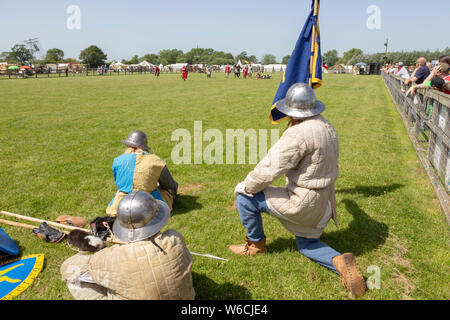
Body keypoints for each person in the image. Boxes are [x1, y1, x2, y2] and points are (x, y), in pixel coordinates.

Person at [229, 83, 366, 298]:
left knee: (245, 199)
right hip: (325, 204)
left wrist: (246, 186)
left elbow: (270, 167)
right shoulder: (325, 125)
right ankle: (339, 261)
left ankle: (256, 246)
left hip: (303, 202)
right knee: (306, 245)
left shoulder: (298, 133)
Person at [60, 191, 195, 300]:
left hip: (110, 261)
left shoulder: (113, 257)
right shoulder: (175, 238)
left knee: (73, 279)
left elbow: (68, 269)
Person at [106, 130, 178, 216]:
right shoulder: (155, 161)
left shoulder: (117, 160)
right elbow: (169, 184)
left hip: (122, 205)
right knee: (173, 186)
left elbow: (119, 183)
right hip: (148, 205)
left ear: (127, 145)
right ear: (144, 147)